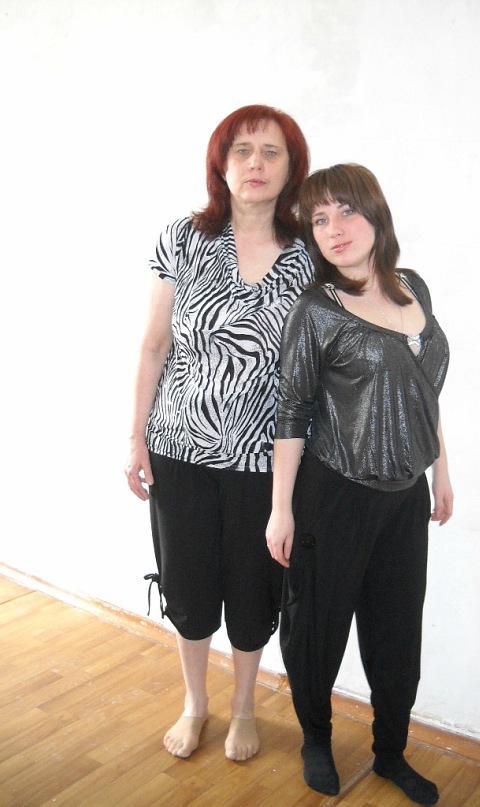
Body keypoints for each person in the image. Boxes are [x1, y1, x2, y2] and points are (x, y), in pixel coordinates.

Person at [125, 105, 314, 763]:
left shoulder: (311, 253)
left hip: (267, 461)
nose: (255, 163)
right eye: (242, 150)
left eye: (271, 152)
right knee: (189, 585)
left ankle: (243, 709)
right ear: (221, 164)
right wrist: (135, 436)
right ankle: (194, 703)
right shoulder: (183, 238)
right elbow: (153, 345)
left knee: (254, 590)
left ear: (290, 169)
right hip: (178, 450)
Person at [266, 164, 452, 804]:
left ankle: (390, 753)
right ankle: (315, 739)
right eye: (319, 219)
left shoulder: (414, 287)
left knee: (397, 632)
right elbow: (291, 411)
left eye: (346, 211)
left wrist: (441, 469)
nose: (334, 228)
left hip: (405, 498)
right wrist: (281, 510)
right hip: (333, 495)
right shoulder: (317, 310)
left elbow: (425, 391)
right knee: (317, 628)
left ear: (376, 214)